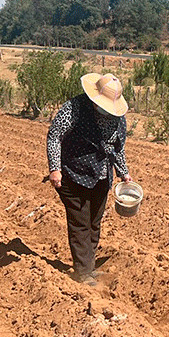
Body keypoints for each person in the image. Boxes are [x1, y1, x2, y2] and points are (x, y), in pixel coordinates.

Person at [47, 73, 132, 286]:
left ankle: (89, 267)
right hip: (73, 174)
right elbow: (55, 136)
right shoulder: (74, 109)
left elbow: (117, 148)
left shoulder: (118, 117)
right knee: (80, 223)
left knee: (94, 222)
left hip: (102, 175)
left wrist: (123, 172)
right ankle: (82, 272)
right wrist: (55, 168)